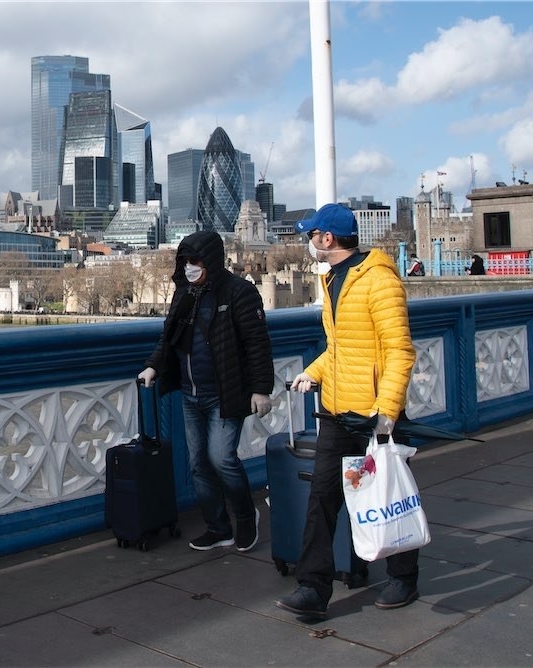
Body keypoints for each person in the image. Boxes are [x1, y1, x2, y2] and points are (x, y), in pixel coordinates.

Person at [274, 203, 418, 620]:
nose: (308, 242)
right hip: (338, 412)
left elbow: (399, 351)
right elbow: (341, 350)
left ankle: (403, 577)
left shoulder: (378, 281)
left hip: (376, 414)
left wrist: (387, 411)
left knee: (390, 496)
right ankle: (312, 588)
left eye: (311, 234)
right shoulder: (333, 279)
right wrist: (313, 372)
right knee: (322, 499)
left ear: (327, 239)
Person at [138, 230, 274, 553]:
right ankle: (217, 527)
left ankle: (245, 517)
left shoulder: (240, 293)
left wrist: (260, 390)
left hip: (225, 393)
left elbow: (257, 344)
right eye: (185, 262)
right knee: (198, 464)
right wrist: (153, 366)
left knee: (222, 459)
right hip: (189, 394)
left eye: (195, 261)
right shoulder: (182, 294)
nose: (189, 267)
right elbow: (168, 338)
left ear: (211, 260)